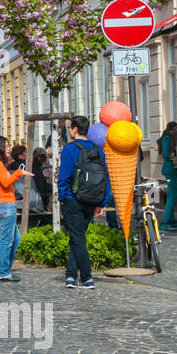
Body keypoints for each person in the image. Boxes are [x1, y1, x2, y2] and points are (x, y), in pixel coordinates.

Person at [56, 115, 108, 288]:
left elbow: (63, 176)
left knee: (78, 239)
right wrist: (102, 202)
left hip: (73, 198)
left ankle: (87, 277)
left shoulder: (70, 149)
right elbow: (105, 177)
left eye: (70, 128)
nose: (69, 131)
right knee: (76, 236)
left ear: (75, 130)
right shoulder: (98, 149)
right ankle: (70, 276)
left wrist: (62, 198)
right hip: (92, 199)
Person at [0, 137, 29, 281]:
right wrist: (18, 173)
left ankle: (5, 269)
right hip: (5, 204)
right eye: (6, 145)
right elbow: (6, 182)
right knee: (7, 241)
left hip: (1, 204)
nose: (9, 148)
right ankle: (3, 272)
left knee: (15, 239)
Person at [157, 121, 177, 231]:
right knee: (173, 195)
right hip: (170, 169)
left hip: (171, 169)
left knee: (172, 195)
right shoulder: (168, 138)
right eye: (176, 129)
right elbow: (167, 154)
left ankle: (171, 219)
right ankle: (165, 221)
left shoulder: (167, 137)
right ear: (172, 129)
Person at [30, 148, 52, 215]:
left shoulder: (30, 167)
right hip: (41, 198)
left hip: (33, 197)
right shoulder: (45, 168)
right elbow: (42, 186)